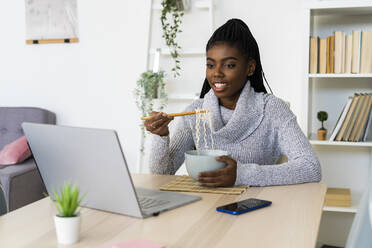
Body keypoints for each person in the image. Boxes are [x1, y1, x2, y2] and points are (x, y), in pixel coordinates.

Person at [144, 18, 321, 187]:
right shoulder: (195, 113)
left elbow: (310, 167)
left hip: (257, 209)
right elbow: (161, 175)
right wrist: (160, 136)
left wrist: (241, 174)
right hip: (205, 209)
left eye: (229, 65)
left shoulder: (273, 110)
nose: (217, 73)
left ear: (250, 68)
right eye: (211, 65)